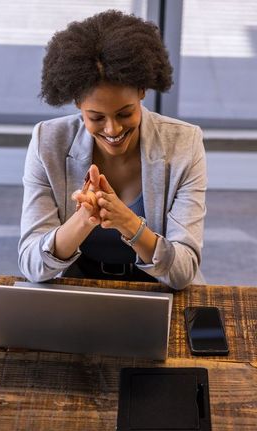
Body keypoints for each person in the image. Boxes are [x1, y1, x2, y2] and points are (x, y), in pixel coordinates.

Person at [18, 10, 207, 290]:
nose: (112, 130)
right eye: (96, 117)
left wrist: (129, 222)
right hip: (78, 288)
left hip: (160, 288)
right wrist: (84, 218)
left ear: (142, 91)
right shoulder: (49, 142)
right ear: (77, 104)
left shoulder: (183, 143)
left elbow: (183, 272)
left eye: (124, 114)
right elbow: (32, 265)